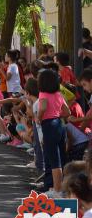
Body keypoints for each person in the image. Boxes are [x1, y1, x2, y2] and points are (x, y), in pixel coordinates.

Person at [37, 68, 71, 198]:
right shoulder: (58, 94)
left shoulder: (43, 94)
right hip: (59, 124)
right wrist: (57, 114)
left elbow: (43, 107)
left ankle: (57, 190)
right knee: (61, 157)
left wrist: (39, 118)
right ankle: (59, 187)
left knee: (53, 159)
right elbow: (68, 112)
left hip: (49, 125)